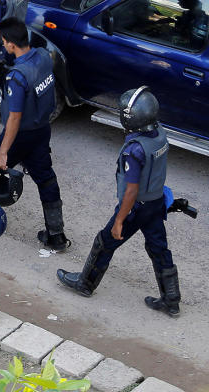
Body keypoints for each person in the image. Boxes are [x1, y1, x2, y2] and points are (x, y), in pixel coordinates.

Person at [57, 87, 179, 316]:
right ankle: (171, 300)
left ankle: (85, 283)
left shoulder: (134, 151)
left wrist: (119, 221)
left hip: (135, 207)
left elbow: (131, 191)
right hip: (155, 202)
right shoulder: (160, 134)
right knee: (159, 249)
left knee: (105, 242)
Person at [0, 17, 70, 250]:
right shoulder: (42, 57)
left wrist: (3, 153)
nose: (2, 46)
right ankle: (56, 235)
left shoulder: (17, 77)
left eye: (3, 42)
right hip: (42, 131)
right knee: (46, 179)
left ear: (10, 44)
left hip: (20, 135)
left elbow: (14, 118)